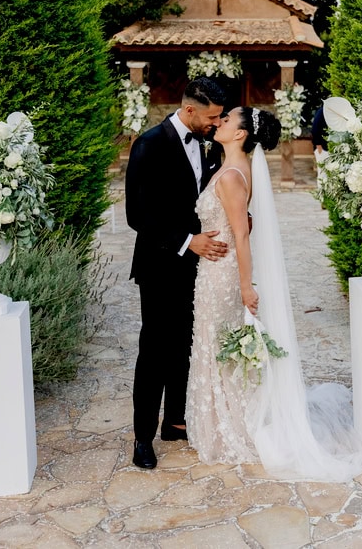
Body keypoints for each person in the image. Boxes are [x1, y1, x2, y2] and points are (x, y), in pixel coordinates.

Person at [186, 106, 362, 481]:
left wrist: (245, 286)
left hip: (221, 276)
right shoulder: (236, 168)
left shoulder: (231, 176)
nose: (219, 122)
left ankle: (233, 427)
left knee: (217, 346)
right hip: (215, 271)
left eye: (227, 120)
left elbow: (241, 235)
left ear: (240, 134)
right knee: (218, 347)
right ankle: (228, 418)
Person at [125, 76, 228, 470]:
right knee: (154, 350)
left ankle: (175, 421)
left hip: (196, 267)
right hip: (159, 265)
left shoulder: (205, 143)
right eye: (212, 117)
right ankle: (143, 437)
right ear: (189, 110)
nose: (216, 124)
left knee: (186, 343)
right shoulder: (149, 145)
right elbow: (137, 215)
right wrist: (188, 241)